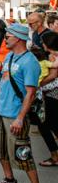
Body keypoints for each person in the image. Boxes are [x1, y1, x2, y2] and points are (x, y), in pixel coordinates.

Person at [0, 23, 48, 183]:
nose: (5, 38)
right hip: (1, 111)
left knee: (22, 153)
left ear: (19, 38)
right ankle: (10, 179)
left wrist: (21, 117)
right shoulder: (10, 56)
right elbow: (3, 81)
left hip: (15, 115)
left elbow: (30, 93)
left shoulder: (29, 61)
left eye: (8, 36)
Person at [37, 31, 58, 167]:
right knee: (47, 125)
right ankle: (54, 155)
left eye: (42, 41)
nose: (41, 44)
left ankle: (55, 156)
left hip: (53, 96)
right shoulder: (52, 56)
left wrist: (39, 84)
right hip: (50, 95)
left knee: (46, 125)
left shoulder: (53, 57)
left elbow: (54, 77)